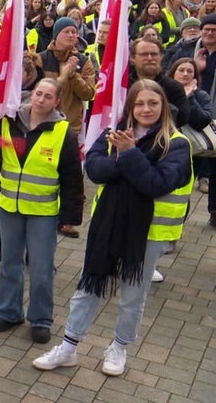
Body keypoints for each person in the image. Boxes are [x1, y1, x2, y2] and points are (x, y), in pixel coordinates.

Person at [33, 80, 191, 376]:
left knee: (133, 294)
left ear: (163, 107)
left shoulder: (177, 143)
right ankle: (68, 346)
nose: (146, 109)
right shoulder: (112, 134)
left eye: (153, 103)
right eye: (140, 103)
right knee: (87, 286)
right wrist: (125, 157)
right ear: (130, 106)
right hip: (107, 226)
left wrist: (128, 154)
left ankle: (119, 347)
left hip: (145, 235)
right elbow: (94, 170)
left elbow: (156, 184)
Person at [0, 78, 84, 344]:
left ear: (56, 102)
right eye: (38, 94)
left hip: (43, 211)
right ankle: (9, 312)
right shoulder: (9, 119)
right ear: (31, 95)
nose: (41, 100)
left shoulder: (63, 132)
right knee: (10, 263)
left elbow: (72, 179)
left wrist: (69, 217)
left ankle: (41, 319)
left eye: (48, 96)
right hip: (9, 206)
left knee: (42, 268)